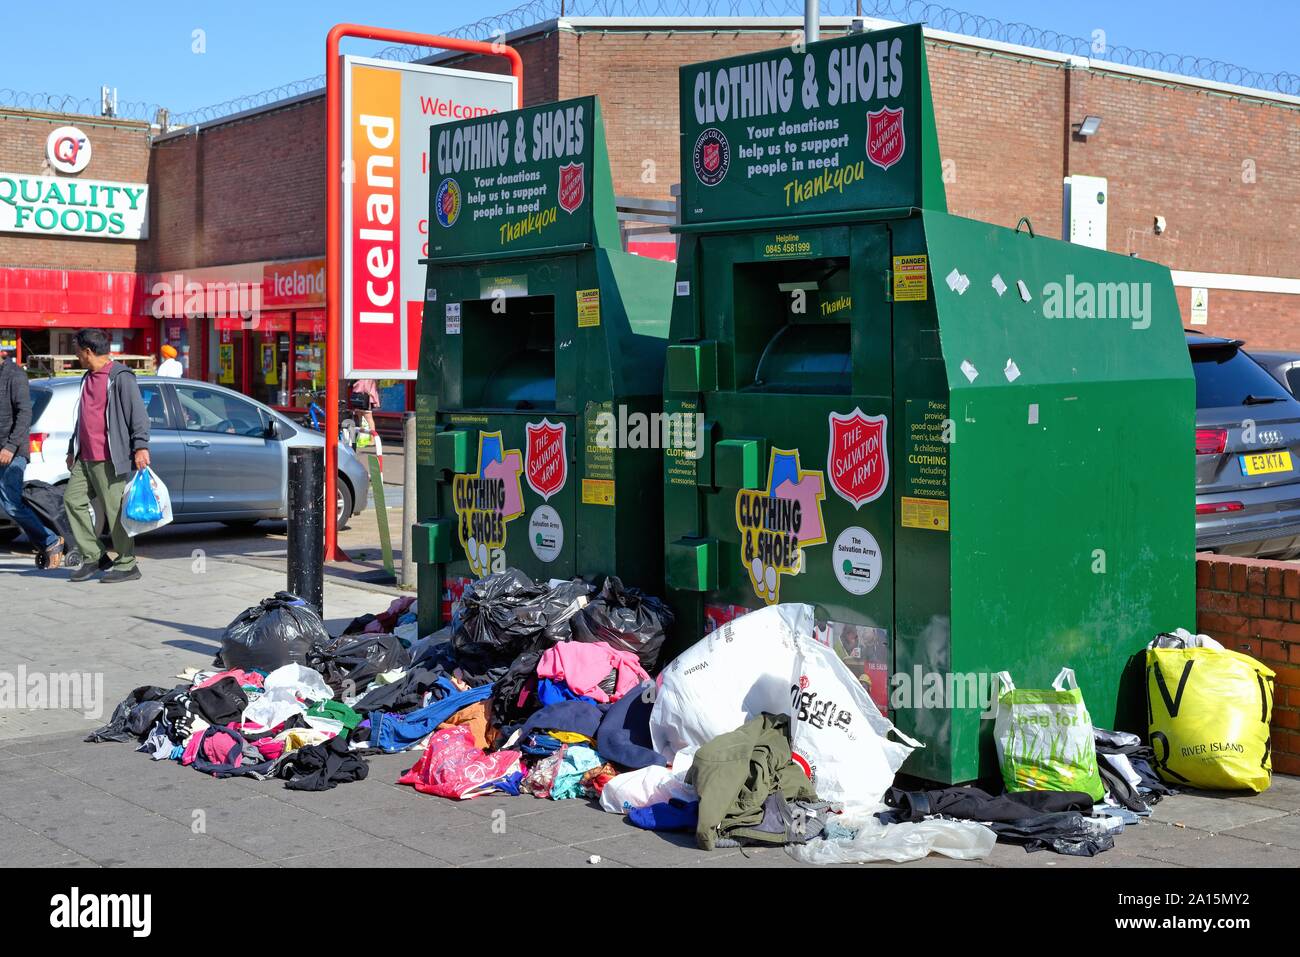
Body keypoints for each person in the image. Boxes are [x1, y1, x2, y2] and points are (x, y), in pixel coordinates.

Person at [64, 329, 151, 583]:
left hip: (110, 456)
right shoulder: (86, 377)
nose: (77, 356)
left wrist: (141, 446)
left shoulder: (120, 377)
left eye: (78, 351)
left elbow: (138, 415)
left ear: (88, 351)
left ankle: (127, 564)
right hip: (85, 456)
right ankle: (94, 556)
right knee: (72, 500)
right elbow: (81, 417)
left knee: (114, 512)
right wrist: (72, 448)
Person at [0, 346, 66, 567]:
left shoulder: (14, 374)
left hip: (12, 451)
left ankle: (50, 539)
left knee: (11, 504)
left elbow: (25, 413)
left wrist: (10, 447)